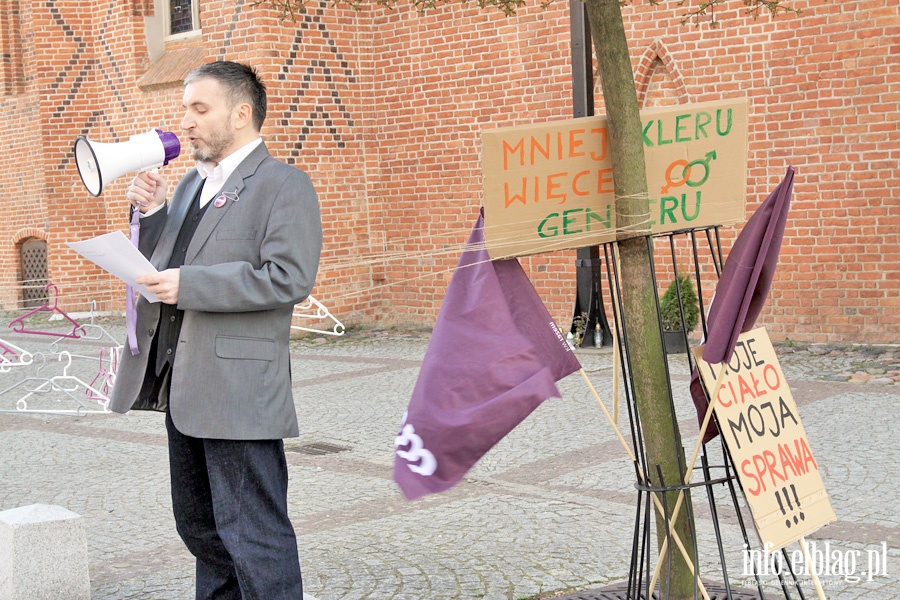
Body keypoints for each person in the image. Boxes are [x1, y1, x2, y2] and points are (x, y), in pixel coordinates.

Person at [109, 60, 322, 599]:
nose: (187, 121)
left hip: (239, 394)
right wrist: (153, 213)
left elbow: (288, 279)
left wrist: (193, 285)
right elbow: (166, 263)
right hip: (185, 386)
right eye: (186, 109)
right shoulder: (187, 186)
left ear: (242, 113)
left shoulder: (284, 185)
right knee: (202, 532)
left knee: (254, 535)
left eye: (200, 109)